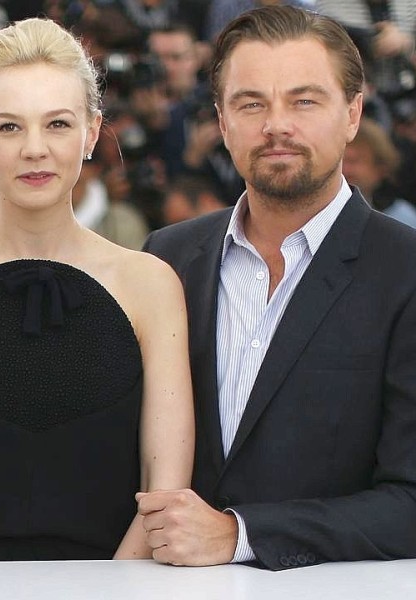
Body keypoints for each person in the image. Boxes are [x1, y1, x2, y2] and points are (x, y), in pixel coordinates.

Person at [0, 17, 194, 562]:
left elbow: (164, 485)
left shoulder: (150, 283)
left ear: (92, 133)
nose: (35, 150)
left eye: (58, 125)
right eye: (9, 127)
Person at [142, 5, 416, 570]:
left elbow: (409, 500)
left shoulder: (406, 271)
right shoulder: (165, 258)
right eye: (251, 103)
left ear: (353, 114)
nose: (276, 125)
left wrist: (241, 534)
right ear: (221, 121)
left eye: (304, 101)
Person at [342, 116, 416, 227]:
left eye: (353, 161)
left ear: (380, 168)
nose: (344, 170)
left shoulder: (401, 218)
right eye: (340, 161)